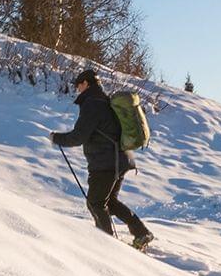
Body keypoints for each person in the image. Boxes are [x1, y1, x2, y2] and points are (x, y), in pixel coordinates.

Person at [51, 68, 155, 250]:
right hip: (120, 159)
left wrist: (57, 138)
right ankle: (141, 233)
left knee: (96, 203)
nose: (77, 90)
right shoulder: (105, 101)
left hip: (106, 162)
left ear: (86, 84)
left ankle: (107, 247)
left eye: (78, 85)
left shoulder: (92, 104)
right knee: (110, 202)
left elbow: (79, 136)